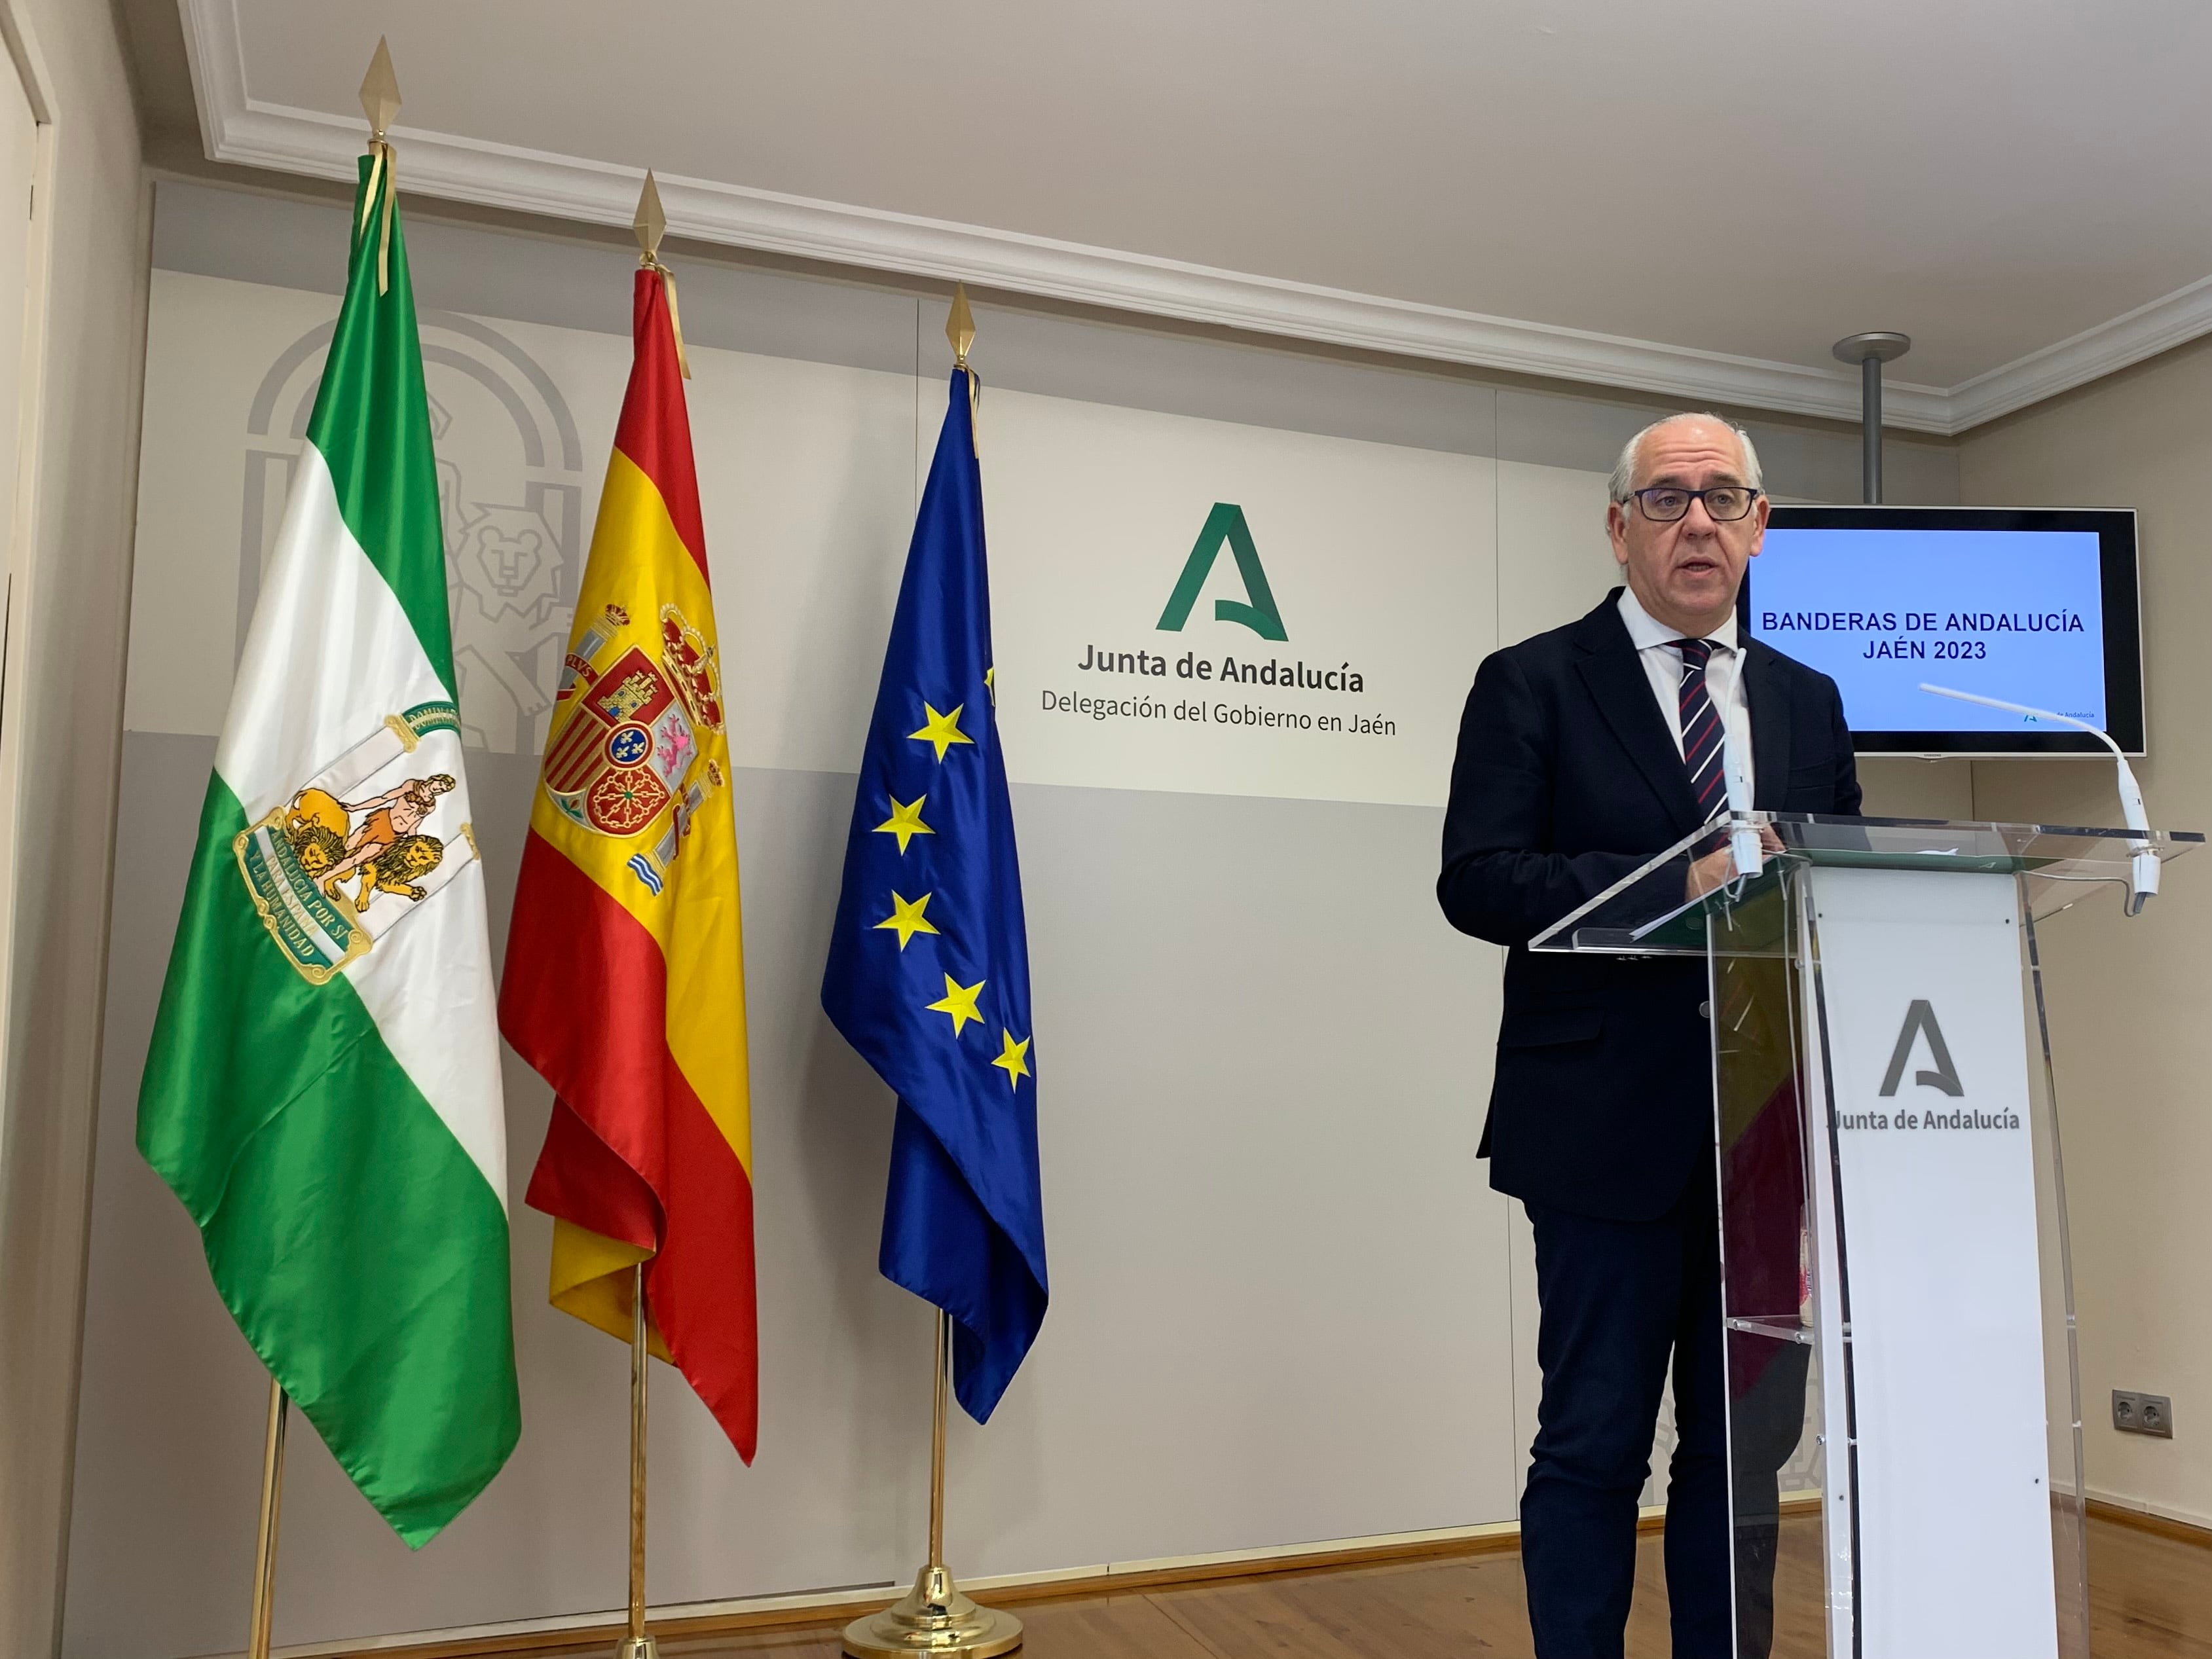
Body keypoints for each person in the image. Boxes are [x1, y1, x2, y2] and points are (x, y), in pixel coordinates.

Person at [1437, 413, 1860, 1658]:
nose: (1698, 523)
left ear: (1759, 525)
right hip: (1598, 1134)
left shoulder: (1806, 698)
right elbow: (1480, 881)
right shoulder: (1532, 680)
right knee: (1594, 1440)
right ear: (1617, 528)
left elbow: (1828, 888)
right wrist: (1674, 878)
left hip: (1761, 1137)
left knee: (1738, 1461)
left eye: (1723, 498)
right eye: (1668, 499)